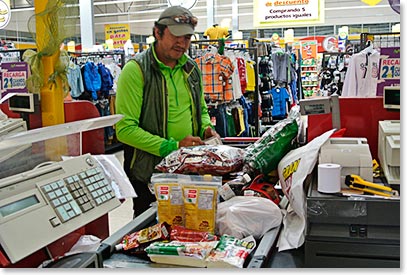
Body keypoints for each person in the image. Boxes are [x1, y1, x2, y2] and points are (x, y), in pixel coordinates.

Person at [115, 6, 219, 218]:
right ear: (157, 32)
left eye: (187, 37)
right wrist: (173, 147)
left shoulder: (191, 68)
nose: (182, 43)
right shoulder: (136, 70)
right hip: (151, 176)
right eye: (176, 35)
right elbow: (124, 130)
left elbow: (201, 109)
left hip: (188, 171)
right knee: (151, 234)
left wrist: (206, 128)